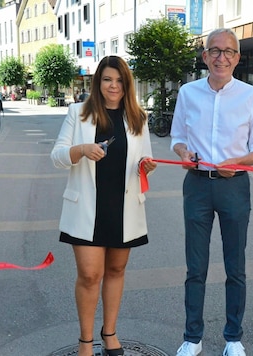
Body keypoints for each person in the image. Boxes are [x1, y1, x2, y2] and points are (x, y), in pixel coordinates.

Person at [170, 28, 253, 356]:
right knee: (195, 267)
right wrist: (183, 153)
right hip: (197, 184)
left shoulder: (251, 95)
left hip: (234, 185)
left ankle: (233, 337)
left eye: (229, 52)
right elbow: (177, 137)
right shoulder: (188, 93)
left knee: (235, 266)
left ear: (238, 58)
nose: (221, 57)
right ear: (205, 57)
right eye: (215, 51)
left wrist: (241, 161)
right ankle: (192, 337)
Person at [50, 55, 156, 356]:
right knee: (89, 274)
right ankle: (85, 341)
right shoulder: (78, 113)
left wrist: (148, 166)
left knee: (116, 270)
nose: (114, 86)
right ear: (98, 82)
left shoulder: (138, 117)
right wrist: (81, 149)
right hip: (86, 208)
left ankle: (109, 333)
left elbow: (143, 159)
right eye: (108, 79)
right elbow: (56, 156)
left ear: (127, 84)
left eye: (120, 81)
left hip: (124, 209)